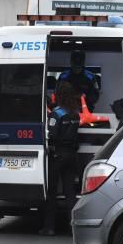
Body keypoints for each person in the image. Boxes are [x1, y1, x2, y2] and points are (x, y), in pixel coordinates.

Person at [42, 82, 81, 236]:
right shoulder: (75, 114)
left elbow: (52, 135)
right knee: (70, 193)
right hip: (72, 155)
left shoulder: (57, 114)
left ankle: (49, 227)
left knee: (51, 192)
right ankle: (73, 228)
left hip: (57, 155)